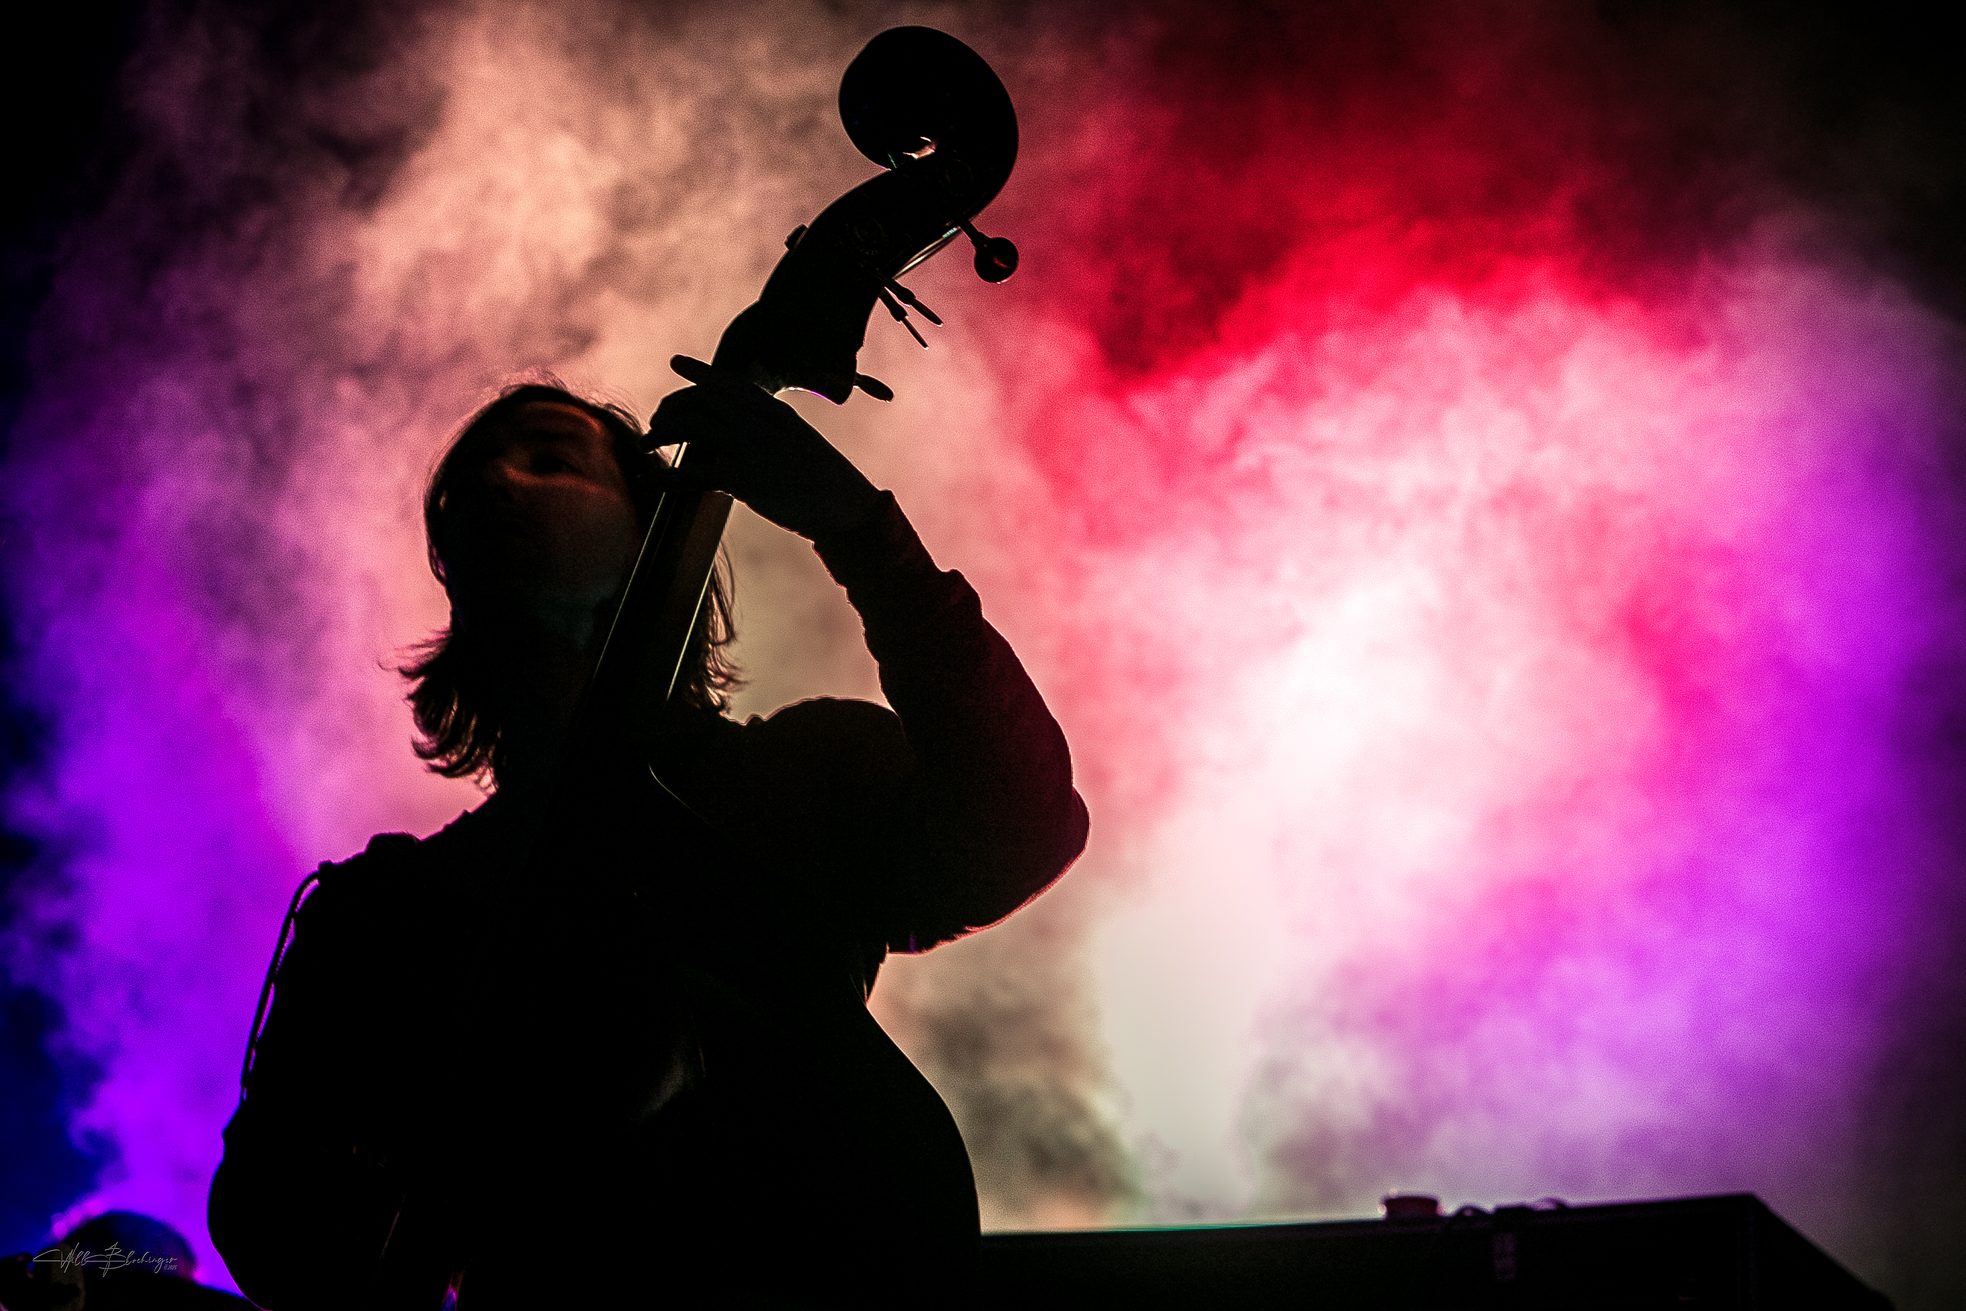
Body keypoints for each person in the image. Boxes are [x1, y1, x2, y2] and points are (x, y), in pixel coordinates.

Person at [206, 366, 1088, 1308]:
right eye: (466, 489)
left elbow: (1021, 824)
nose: (495, 483)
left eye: (550, 459)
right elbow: (275, 1235)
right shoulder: (384, 909)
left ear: (649, 534)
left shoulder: (801, 779)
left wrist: (861, 529)